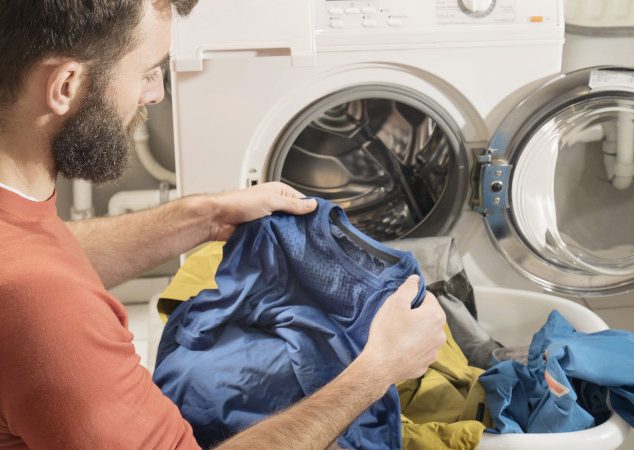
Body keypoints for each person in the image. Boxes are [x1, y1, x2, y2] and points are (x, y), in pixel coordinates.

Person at [0, 1, 447, 449]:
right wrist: (376, 370)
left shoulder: (19, 226)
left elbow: (50, 251)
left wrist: (208, 216)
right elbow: (42, 289)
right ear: (66, 85)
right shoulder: (45, 305)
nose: (154, 93)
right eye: (146, 71)